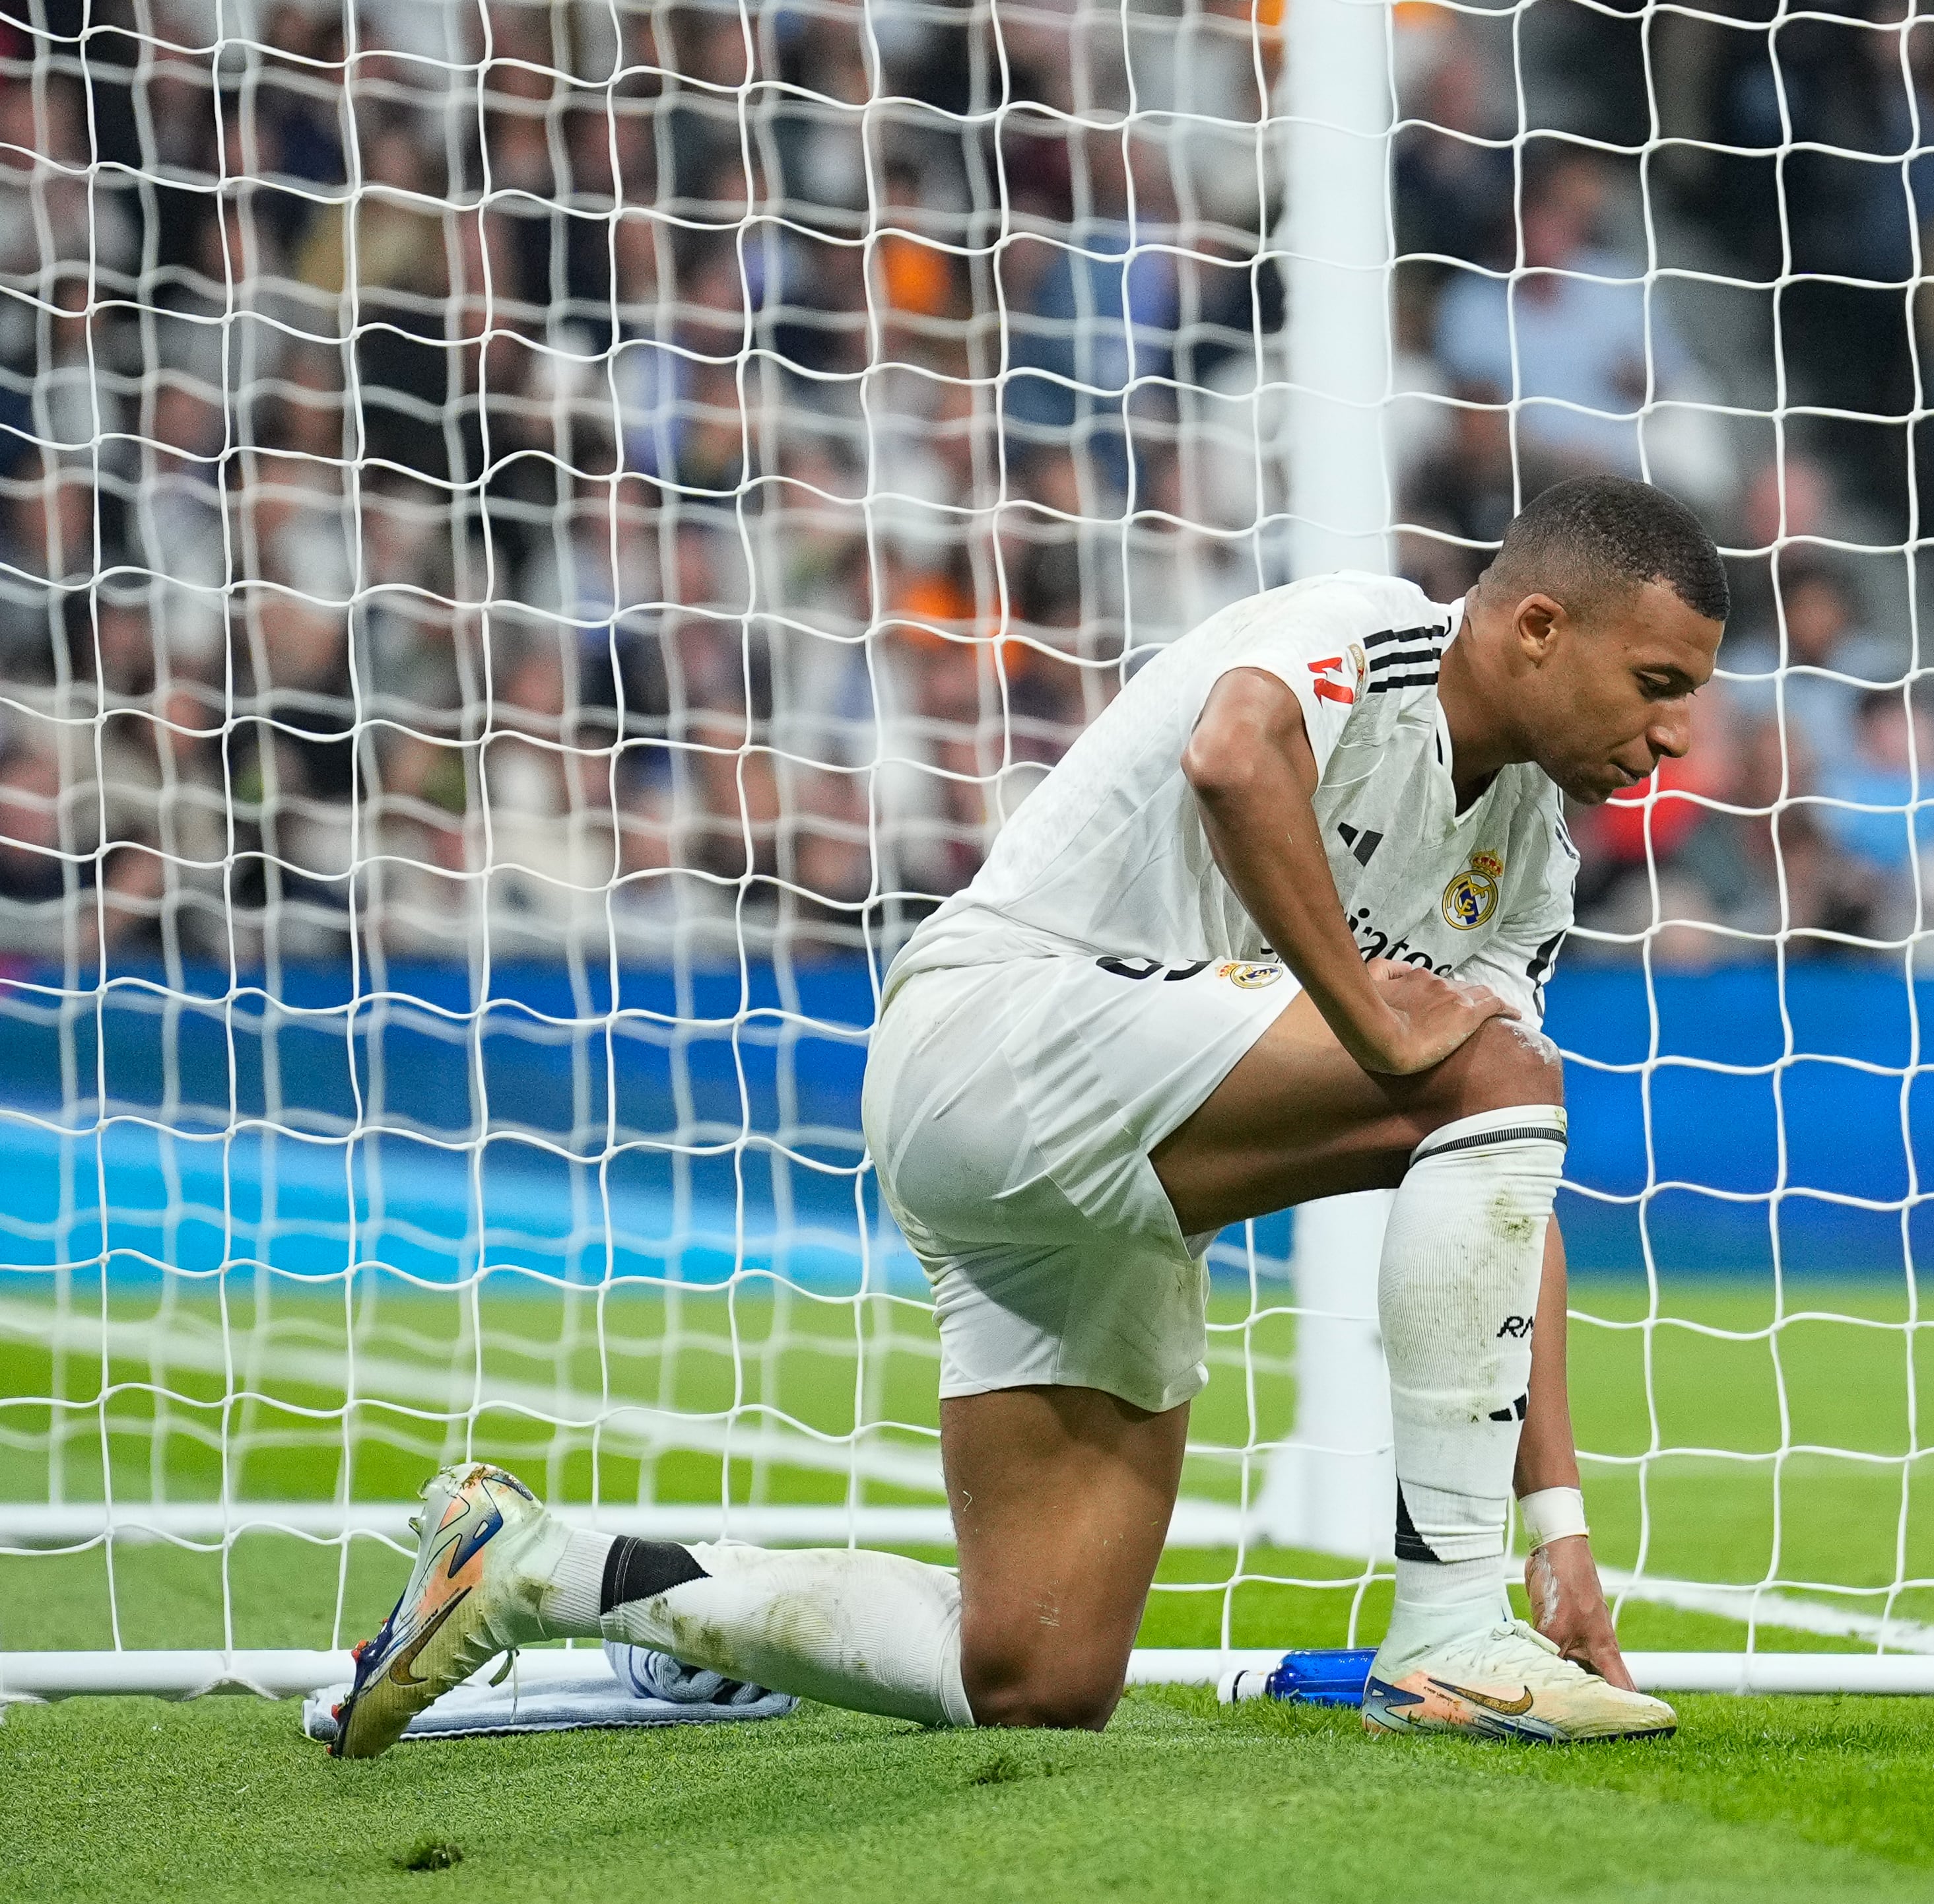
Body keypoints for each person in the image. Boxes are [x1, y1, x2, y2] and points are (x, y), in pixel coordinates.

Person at [325, 476, 1728, 1755]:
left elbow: (1497, 1172)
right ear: (1538, 625)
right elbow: (1236, 757)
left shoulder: (1530, 853)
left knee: (1038, 1671)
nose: (1675, 736)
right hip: (994, 1039)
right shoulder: (1369, 629)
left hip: (1098, 1191)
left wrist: (1562, 1525)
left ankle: (533, 1566)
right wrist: (1371, 1015)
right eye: (1656, 683)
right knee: (1484, 1064)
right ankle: (1444, 1637)